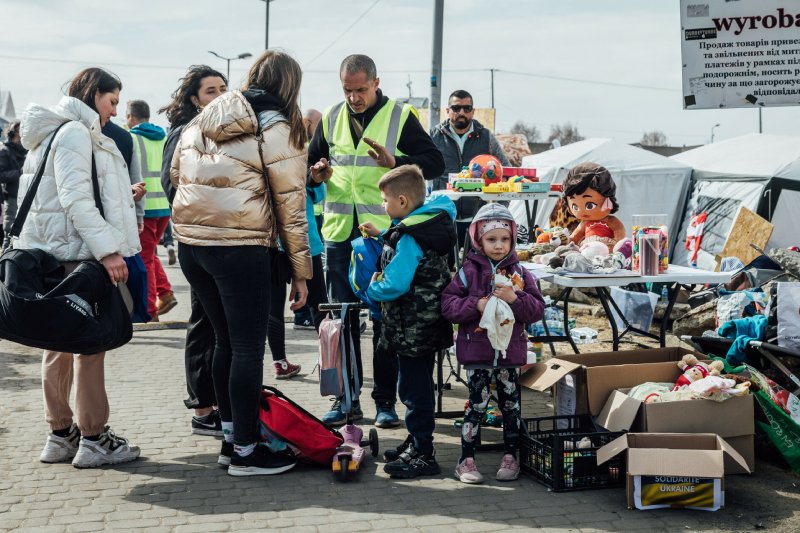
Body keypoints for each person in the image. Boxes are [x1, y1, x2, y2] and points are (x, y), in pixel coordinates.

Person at [170, 50, 311, 476]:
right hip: (241, 247)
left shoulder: (203, 118)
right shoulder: (277, 125)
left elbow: (177, 174)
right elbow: (291, 204)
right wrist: (301, 271)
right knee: (248, 348)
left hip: (193, 247)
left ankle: (232, 439)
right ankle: (248, 452)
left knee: (224, 343)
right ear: (289, 85)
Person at [308, 54, 445, 427]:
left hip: (383, 236)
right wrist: (316, 173)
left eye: (361, 90)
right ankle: (344, 400)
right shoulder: (332, 117)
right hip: (339, 234)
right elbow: (311, 165)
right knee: (340, 321)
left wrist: (395, 161)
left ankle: (385, 402)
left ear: (376, 83)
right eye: (347, 90)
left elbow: (435, 163)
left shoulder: (400, 116)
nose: (354, 97)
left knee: (386, 323)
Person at [19, 67, 142, 468]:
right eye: (111, 101)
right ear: (93, 95)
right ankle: (94, 439)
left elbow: (60, 195)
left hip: (52, 253)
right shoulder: (74, 132)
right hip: (77, 256)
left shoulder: (50, 132)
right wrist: (108, 251)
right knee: (89, 347)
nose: (114, 110)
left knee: (57, 345)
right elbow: (75, 200)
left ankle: (59, 435)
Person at [360, 164, 456, 478]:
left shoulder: (410, 236)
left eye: (385, 201)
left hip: (412, 325)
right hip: (425, 323)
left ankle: (424, 453)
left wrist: (373, 287)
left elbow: (396, 284)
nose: (383, 206)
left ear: (402, 201)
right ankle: (417, 440)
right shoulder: (431, 221)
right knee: (418, 385)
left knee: (414, 390)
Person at [441, 203, 544, 483]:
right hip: (477, 353)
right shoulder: (466, 273)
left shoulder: (521, 275)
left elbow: (536, 309)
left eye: (504, 239)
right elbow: (448, 306)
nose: (498, 245)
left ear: (512, 239)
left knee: (511, 407)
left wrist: (515, 298)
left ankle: (511, 456)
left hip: (510, 355)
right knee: (476, 406)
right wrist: (476, 304)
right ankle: (466, 460)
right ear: (478, 239)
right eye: (491, 239)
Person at [159, 65, 227, 437]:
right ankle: (203, 408)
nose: (218, 95)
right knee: (203, 323)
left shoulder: (215, 132)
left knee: (214, 322)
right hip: (197, 242)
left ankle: (212, 404)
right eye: (210, 91)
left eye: (222, 89)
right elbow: (174, 189)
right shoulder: (184, 133)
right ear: (194, 99)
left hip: (213, 240)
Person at [430, 90, 510, 250]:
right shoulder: (433, 136)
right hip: (442, 219)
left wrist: (497, 211)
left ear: (473, 111)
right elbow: (418, 173)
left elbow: (506, 172)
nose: (461, 113)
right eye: (456, 108)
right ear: (447, 111)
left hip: (478, 219)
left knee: (477, 272)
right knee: (445, 272)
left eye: (467, 109)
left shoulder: (486, 137)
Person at [267, 179, 328, 378]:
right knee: (319, 303)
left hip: (272, 243)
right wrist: (317, 181)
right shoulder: (299, 159)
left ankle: (280, 363)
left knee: (273, 309)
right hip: (305, 242)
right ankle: (329, 360)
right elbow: (319, 195)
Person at [127, 99, 177, 320]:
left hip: (144, 207)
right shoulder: (164, 137)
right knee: (149, 255)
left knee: (145, 259)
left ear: (130, 117)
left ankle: (149, 311)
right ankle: (165, 293)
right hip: (164, 207)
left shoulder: (132, 138)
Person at [292, 108, 324, 331]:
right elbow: (318, 193)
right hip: (304, 233)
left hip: (302, 232)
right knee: (318, 301)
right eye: (318, 125)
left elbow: (316, 192)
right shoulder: (302, 152)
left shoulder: (301, 152)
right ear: (306, 123)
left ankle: (279, 359)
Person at [0, 121, 27, 250]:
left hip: (25, 196)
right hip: (12, 196)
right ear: (13, 133)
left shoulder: (27, 151)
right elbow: (1, 175)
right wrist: (19, 172)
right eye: (20, 131)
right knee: (9, 231)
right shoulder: (4, 151)